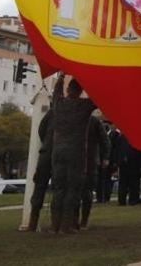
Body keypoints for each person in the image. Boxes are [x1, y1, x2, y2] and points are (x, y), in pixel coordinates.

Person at [50, 76, 98, 234]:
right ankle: (66, 226)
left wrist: (61, 77)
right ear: (80, 91)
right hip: (75, 152)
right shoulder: (82, 106)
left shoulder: (58, 104)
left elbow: (56, 92)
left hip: (57, 151)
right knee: (72, 188)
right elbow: (98, 98)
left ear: (68, 90)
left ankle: (55, 225)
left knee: (59, 188)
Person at [25, 93, 55, 232]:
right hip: (59, 155)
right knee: (60, 188)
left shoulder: (51, 113)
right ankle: (57, 222)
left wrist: (46, 144)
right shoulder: (67, 113)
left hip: (46, 153)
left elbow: (41, 129)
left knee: (39, 188)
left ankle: (33, 221)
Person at [79, 113, 110, 228]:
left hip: (90, 161)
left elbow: (105, 141)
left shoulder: (94, 121)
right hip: (76, 160)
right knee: (74, 192)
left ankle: (84, 220)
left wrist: (105, 158)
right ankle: (73, 219)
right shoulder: (74, 119)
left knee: (86, 192)